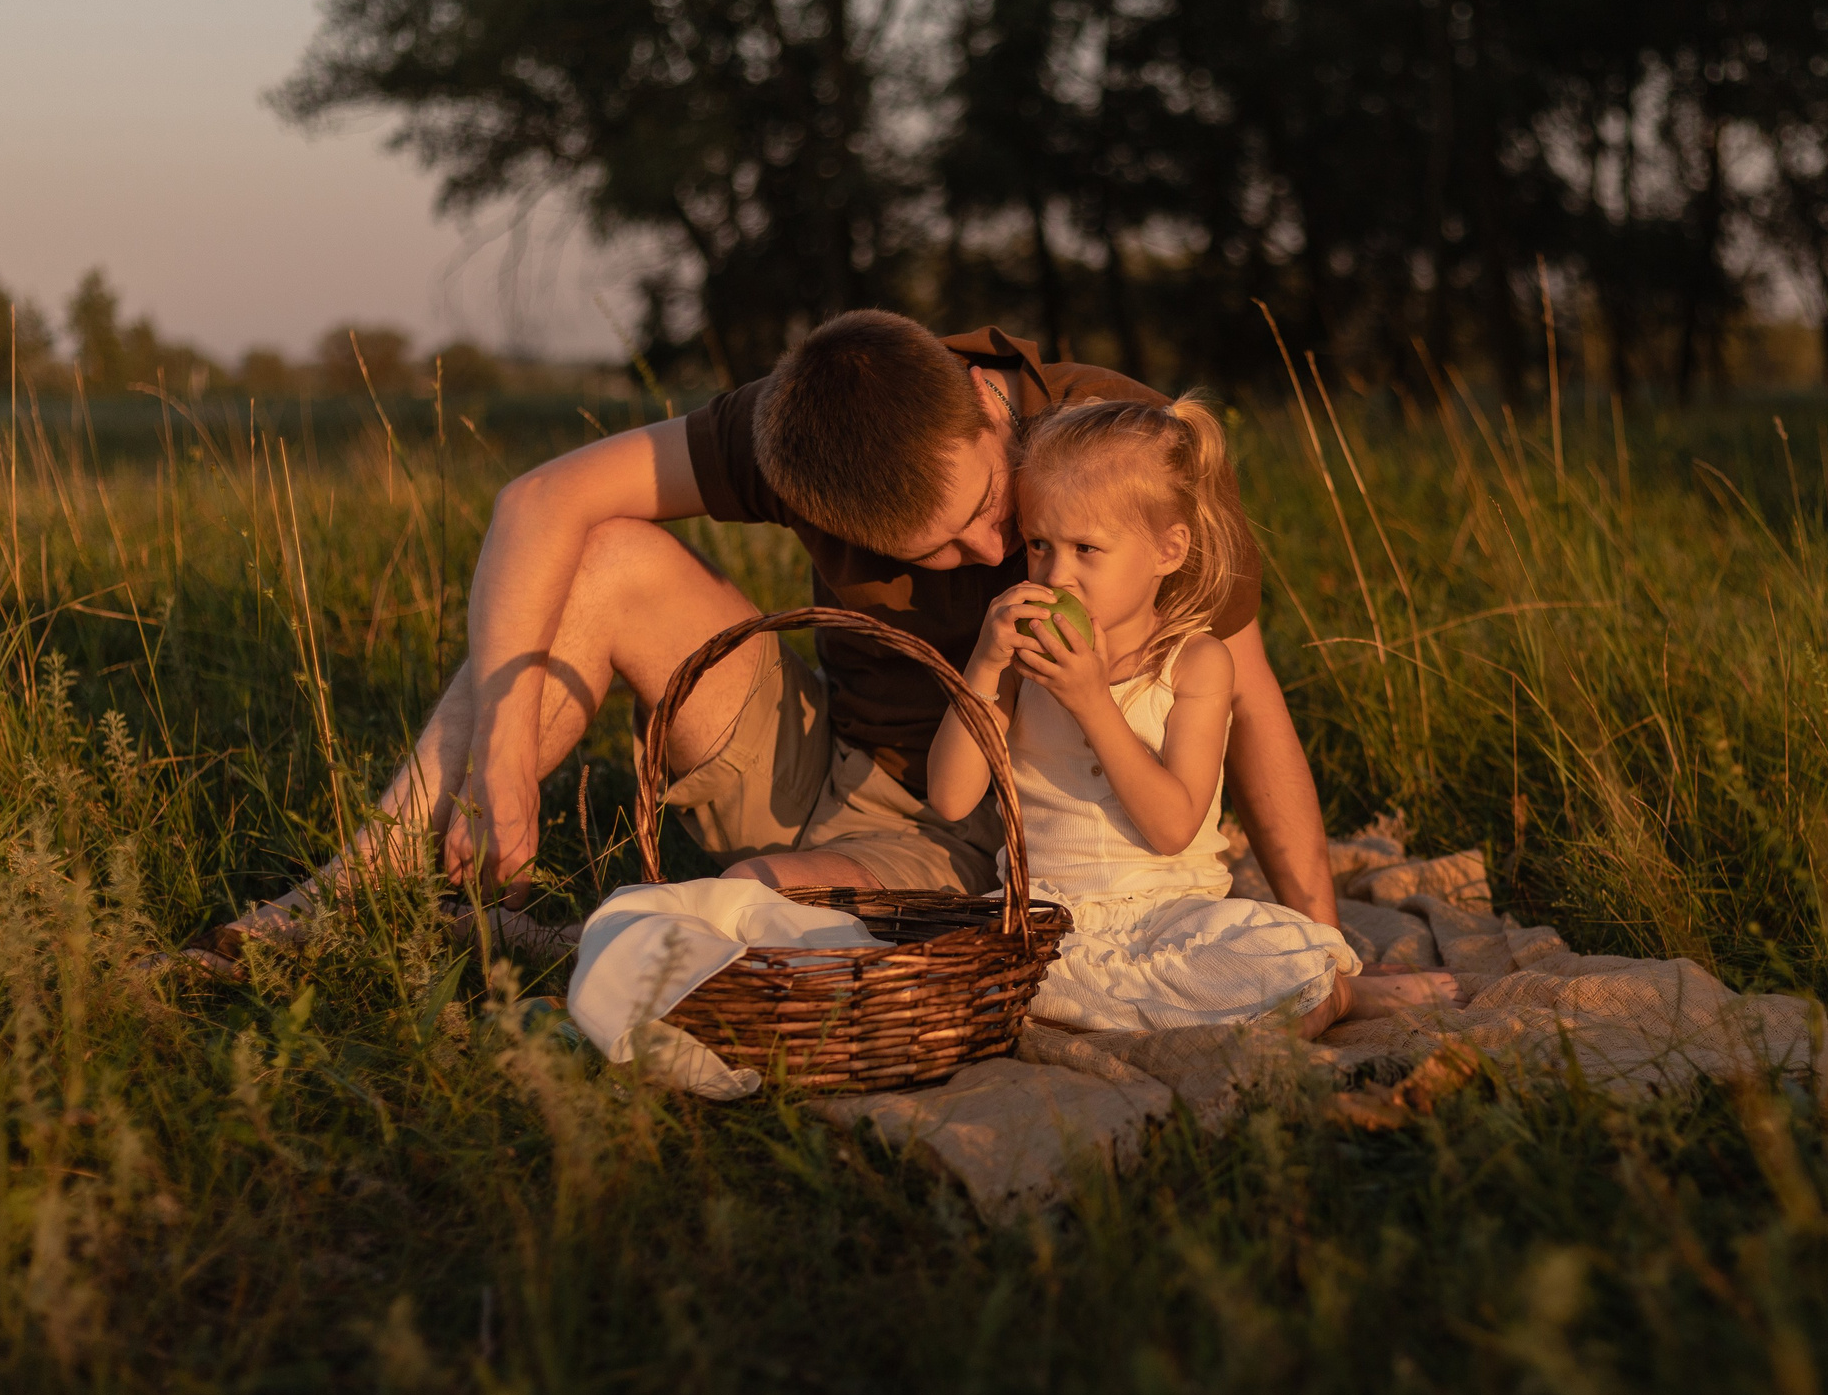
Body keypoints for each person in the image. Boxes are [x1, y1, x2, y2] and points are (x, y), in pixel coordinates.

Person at [193, 312, 1339, 966]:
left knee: (768, 910)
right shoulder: (803, 429)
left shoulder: (1103, 444)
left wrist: (1318, 936)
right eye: (936, 550)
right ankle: (346, 899)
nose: (989, 548)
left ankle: (584, 940)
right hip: (833, 766)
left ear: (994, 415)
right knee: (601, 558)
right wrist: (501, 748)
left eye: (986, 510)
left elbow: (1246, 692)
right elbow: (537, 503)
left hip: (1008, 826)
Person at [924, 394, 1452, 1036]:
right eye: (1039, 544)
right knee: (968, 974)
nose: (1058, 574)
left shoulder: (1194, 664)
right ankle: (1209, 1019)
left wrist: (1093, 703)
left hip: (1173, 917)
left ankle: (1331, 997)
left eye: (1088, 548)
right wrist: (982, 664)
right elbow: (950, 799)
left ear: (1168, 551)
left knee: (1271, 955)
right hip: (1046, 918)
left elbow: (1173, 827)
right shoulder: (1018, 658)